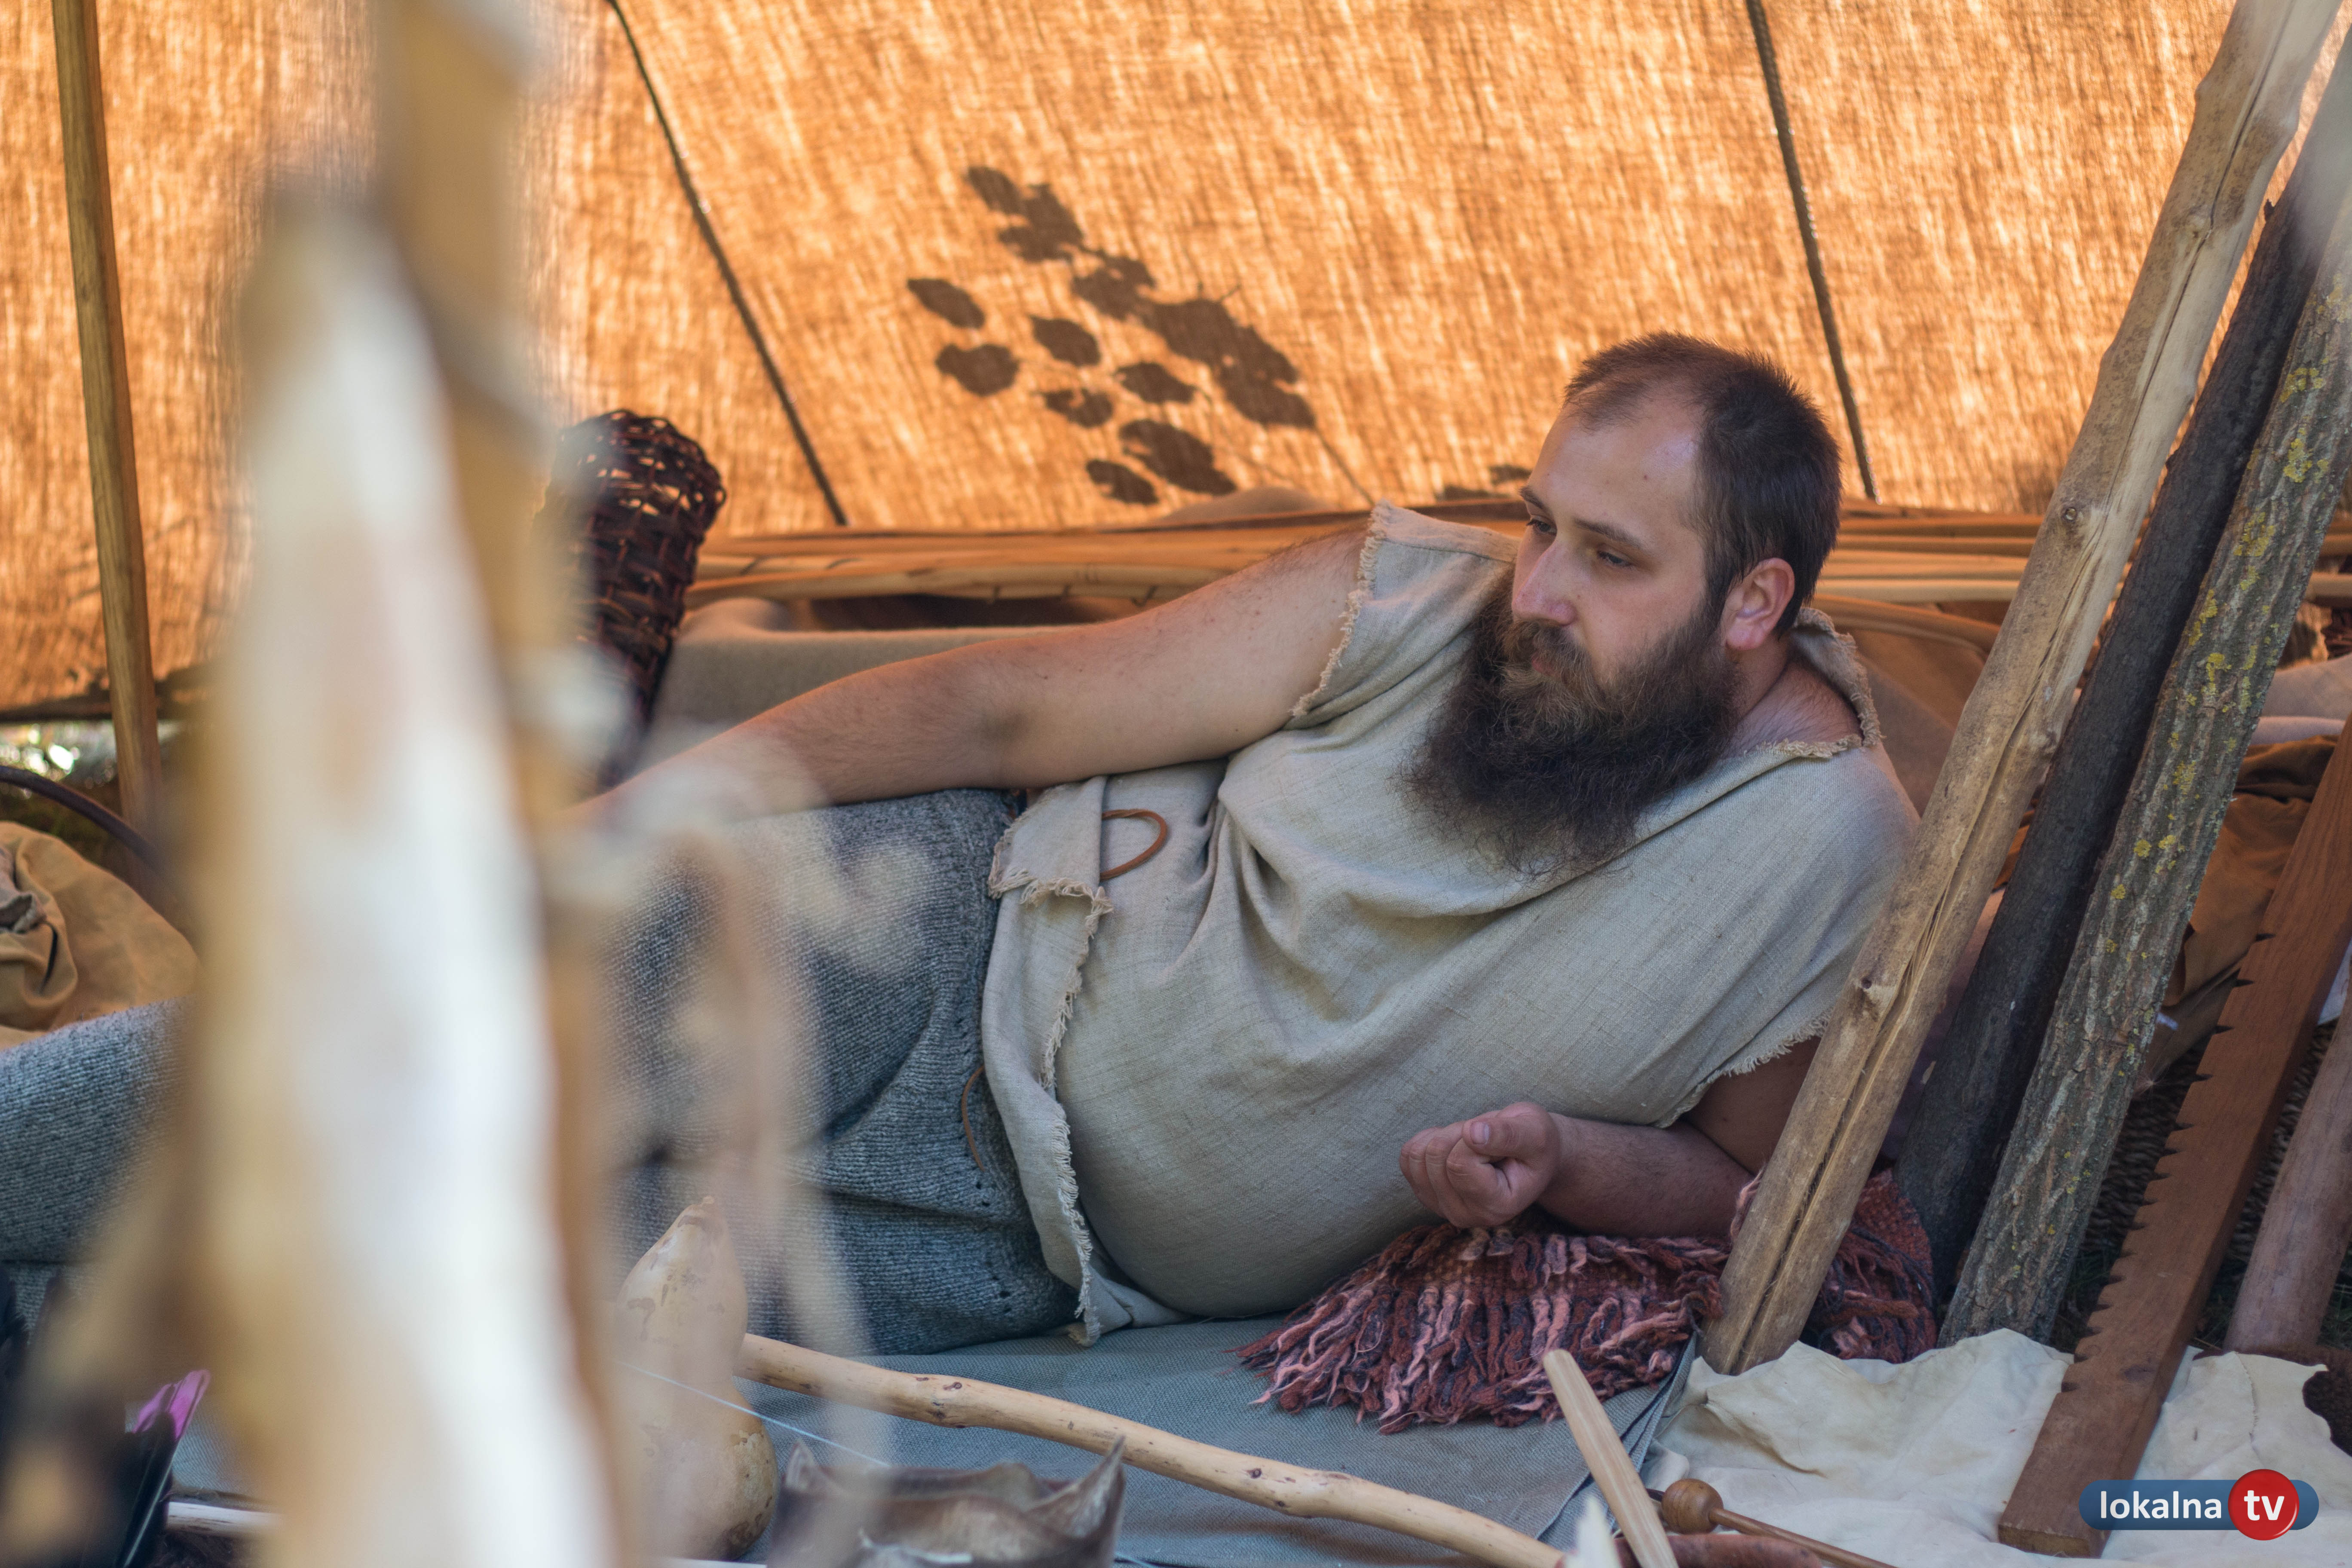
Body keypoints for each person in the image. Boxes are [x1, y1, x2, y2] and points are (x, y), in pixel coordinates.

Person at [0, 334, 1912, 1355]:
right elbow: (1009, 711)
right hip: (923, 940)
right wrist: (645, 819)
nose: (1541, 586)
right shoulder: (1413, 598)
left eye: (1609, 556)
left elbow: (1746, 1185)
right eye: (1541, 519)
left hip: (1015, 1250)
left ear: (1755, 604)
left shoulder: (1826, 863)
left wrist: (1570, 1161)